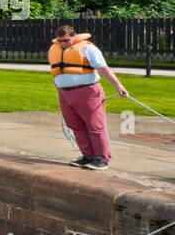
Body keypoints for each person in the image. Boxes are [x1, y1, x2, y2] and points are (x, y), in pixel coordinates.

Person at [50, 24, 128, 170]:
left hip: (87, 92)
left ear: (74, 36)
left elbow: (103, 68)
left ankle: (102, 158)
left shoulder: (88, 48)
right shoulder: (55, 49)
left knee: (95, 125)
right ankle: (88, 155)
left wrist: (118, 85)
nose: (62, 44)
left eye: (66, 40)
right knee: (75, 125)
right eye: (59, 41)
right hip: (65, 93)